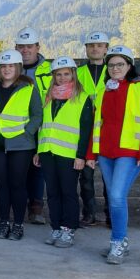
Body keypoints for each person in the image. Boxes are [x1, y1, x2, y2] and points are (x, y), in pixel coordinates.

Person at [86, 46, 140, 265]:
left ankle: (118, 242)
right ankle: (120, 241)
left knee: (116, 196)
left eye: (120, 64)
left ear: (129, 66)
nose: (115, 68)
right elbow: (96, 124)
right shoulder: (105, 90)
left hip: (130, 152)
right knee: (116, 197)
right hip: (106, 152)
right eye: (111, 65)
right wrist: (91, 153)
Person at [0, 49, 43, 241]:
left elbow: (37, 115)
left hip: (20, 146)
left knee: (17, 185)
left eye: (11, 66)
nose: (7, 70)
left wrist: (27, 133)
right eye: (4, 66)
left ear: (18, 67)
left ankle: (18, 225)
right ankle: (5, 222)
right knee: (2, 185)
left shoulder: (28, 87)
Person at [32, 57, 94, 248]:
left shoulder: (82, 98)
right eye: (58, 74)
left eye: (66, 74)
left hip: (69, 155)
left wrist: (81, 156)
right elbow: (44, 126)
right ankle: (56, 227)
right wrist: (38, 151)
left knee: (68, 193)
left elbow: (86, 130)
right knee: (52, 193)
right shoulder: (48, 97)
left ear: (73, 74)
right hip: (48, 151)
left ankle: (69, 229)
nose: (62, 78)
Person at [15, 28, 51, 225]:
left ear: (38, 47)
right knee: (17, 168)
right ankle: (14, 205)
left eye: (29, 46)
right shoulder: (9, 67)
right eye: (21, 46)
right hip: (16, 127)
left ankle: (36, 208)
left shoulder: (49, 70)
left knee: (38, 168)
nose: (25, 50)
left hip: (42, 126)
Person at [77, 31, 110, 226]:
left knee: (108, 175)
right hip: (85, 128)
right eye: (91, 45)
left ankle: (110, 213)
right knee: (86, 175)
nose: (95, 48)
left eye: (99, 45)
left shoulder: (114, 70)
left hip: (107, 128)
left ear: (106, 48)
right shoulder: (78, 73)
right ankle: (89, 213)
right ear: (87, 49)